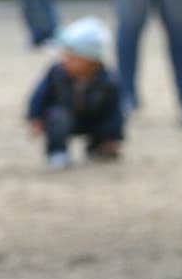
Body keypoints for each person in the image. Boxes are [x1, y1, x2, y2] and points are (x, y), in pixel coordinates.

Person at [27, 16, 124, 170]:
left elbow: (116, 111)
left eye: (71, 58)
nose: (64, 61)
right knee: (57, 116)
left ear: (91, 60)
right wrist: (35, 117)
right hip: (65, 117)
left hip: (94, 119)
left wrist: (115, 135)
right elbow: (39, 96)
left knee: (106, 122)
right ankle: (57, 152)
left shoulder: (109, 81)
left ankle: (99, 146)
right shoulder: (56, 73)